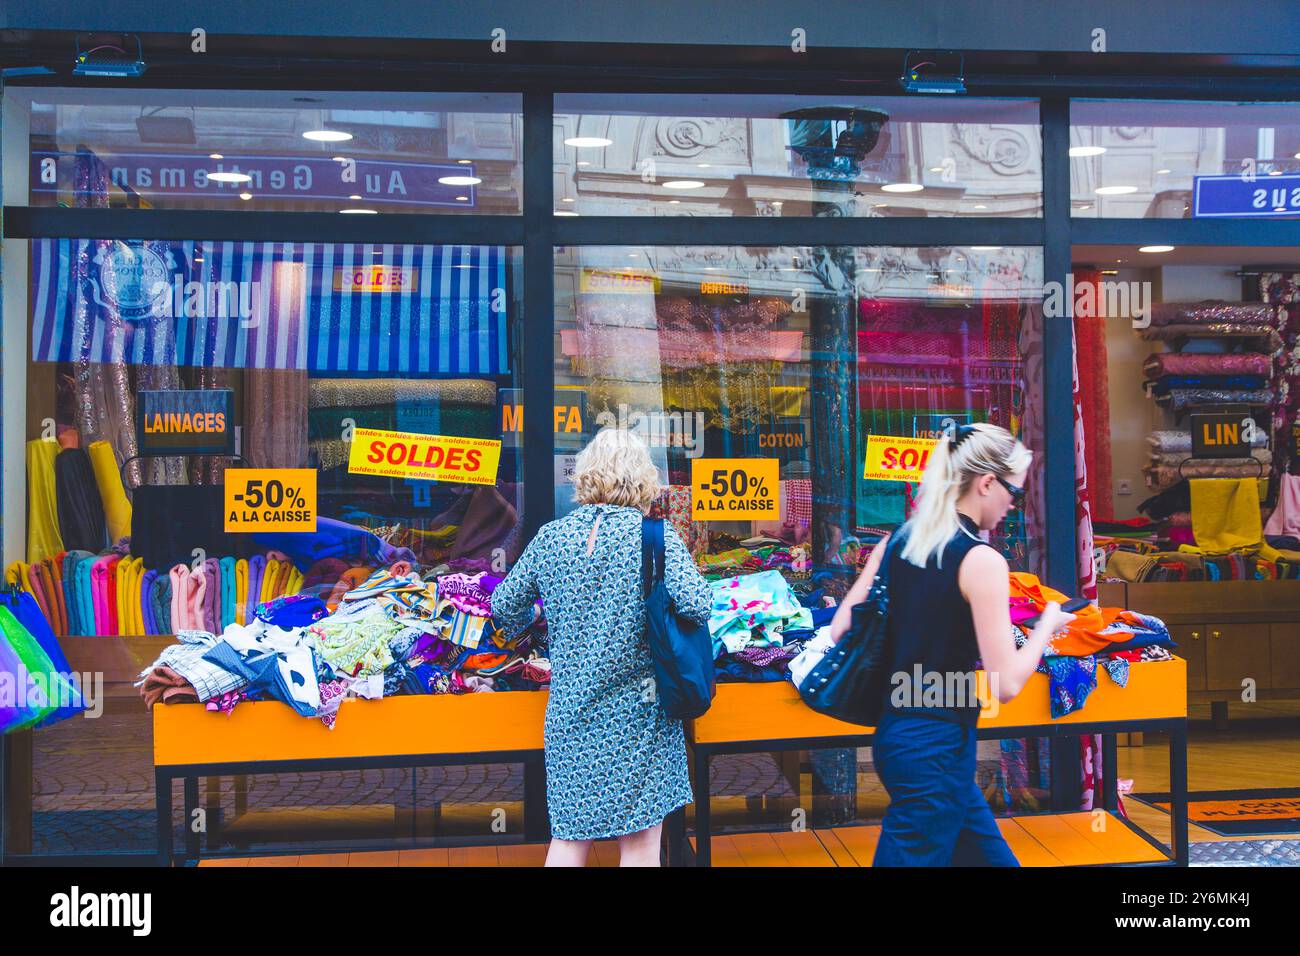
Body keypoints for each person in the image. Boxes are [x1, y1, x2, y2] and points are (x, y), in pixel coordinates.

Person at [829, 422, 1075, 866]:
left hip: (903, 736)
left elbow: (841, 626)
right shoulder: (981, 560)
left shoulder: (898, 541)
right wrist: (1047, 625)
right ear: (985, 483)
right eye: (1014, 494)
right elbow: (1006, 684)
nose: (1012, 506)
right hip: (937, 747)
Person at [491, 426, 711, 866]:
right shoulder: (655, 539)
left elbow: (504, 608)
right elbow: (699, 605)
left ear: (588, 475)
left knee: (570, 840)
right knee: (641, 846)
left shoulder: (551, 538)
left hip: (570, 717)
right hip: (640, 716)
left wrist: (544, 618)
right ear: (641, 478)